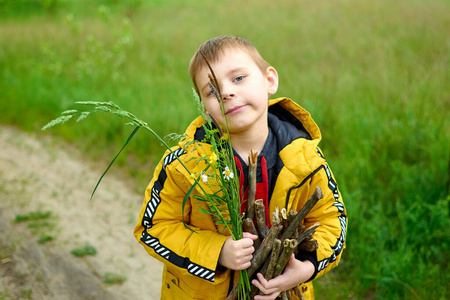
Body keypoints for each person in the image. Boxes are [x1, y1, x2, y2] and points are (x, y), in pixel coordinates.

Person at [134, 35, 347, 300]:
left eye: (238, 78)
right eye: (212, 90)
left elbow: (331, 220)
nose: (226, 92)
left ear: (269, 80)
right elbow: (153, 227)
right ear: (204, 108)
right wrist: (218, 251)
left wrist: (305, 267)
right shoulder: (185, 164)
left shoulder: (306, 159)